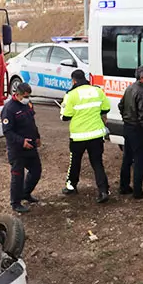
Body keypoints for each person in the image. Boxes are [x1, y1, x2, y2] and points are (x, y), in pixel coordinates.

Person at [61, 69, 111, 203]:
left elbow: (65, 116)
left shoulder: (71, 95)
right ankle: (103, 190)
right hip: (96, 134)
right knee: (97, 163)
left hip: (78, 136)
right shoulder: (97, 91)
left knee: (75, 162)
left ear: (74, 80)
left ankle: (71, 186)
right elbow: (106, 108)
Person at [1, 82, 42, 214]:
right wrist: (21, 141)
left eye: (29, 96)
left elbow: (32, 122)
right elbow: (7, 131)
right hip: (17, 149)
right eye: (25, 96)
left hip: (31, 146)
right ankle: (15, 202)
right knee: (17, 176)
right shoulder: (9, 109)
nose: (27, 98)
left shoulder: (28, 105)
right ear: (17, 95)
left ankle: (26, 193)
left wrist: (37, 136)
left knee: (36, 171)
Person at [118, 65, 143, 199]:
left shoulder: (130, 88)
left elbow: (121, 105)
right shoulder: (142, 92)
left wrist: (126, 118)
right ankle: (137, 191)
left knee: (127, 158)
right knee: (139, 160)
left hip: (128, 127)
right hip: (137, 129)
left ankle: (124, 186)